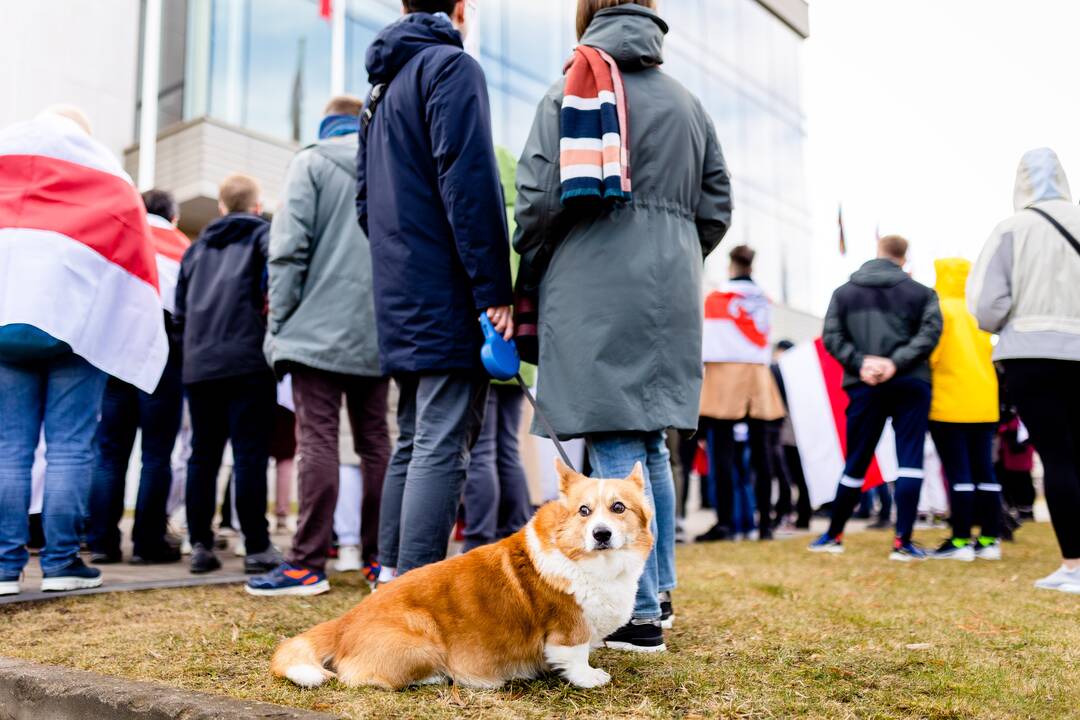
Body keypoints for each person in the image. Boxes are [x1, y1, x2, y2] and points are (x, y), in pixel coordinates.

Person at [514, 0, 731, 651]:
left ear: (586, 12)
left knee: (612, 439)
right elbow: (716, 203)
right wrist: (674, 249)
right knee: (649, 448)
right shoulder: (690, 103)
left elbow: (534, 202)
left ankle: (635, 615)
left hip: (594, 281)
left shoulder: (570, 91)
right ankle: (657, 592)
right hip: (669, 288)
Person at [357, 1, 513, 580]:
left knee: (414, 439)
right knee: (442, 445)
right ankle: (413, 602)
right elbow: (469, 183)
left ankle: (390, 582)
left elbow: (365, 208)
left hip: (400, 290)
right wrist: (493, 286)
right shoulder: (451, 68)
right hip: (447, 291)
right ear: (461, 8)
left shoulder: (379, 91)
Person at [0, 106, 167, 594]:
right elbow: (133, 247)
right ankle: (61, 563)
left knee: (10, 449)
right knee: (71, 448)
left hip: (6, 323)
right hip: (74, 329)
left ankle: (4, 566)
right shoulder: (108, 177)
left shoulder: (7, 161)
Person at [250, 96, 390, 596]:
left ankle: (307, 564)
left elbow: (286, 251)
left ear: (325, 123)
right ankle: (381, 562)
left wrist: (279, 324)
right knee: (377, 443)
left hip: (313, 333)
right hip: (379, 330)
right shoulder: (388, 162)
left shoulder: (310, 162)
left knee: (318, 441)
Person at [968, 147, 1080, 593]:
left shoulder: (1010, 229)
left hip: (1031, 353)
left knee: (1056, 456)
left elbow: (986, 307)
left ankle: (1073, 565)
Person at [175, 174, 282, 576]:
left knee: (202, 455)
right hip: (248, 360)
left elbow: (180, 309)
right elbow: (273, 293)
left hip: (200, 364)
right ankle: (255, 545)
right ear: (257, 206)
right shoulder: (264, 237)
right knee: (249, 455)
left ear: (220, 207)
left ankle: (200, 544)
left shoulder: (195, 248)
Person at [811, 234, 942, 560]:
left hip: (862, 383)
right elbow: (930, 334)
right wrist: (895, 363)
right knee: (909, 460)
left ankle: (834, 535)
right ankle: (903, 543)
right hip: (910, 380)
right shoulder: (923, 294)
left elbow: (831, 336)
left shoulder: (844, 293)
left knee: (856, 459)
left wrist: (861, 363)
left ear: (878, 253)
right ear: (904, 257)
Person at [86, 189, 189, 566]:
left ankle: (101, 543)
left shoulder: (119, 236)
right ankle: (147, 544)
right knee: (157, 455)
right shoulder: (182, 245)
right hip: (163, 350)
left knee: (109, 453)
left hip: (114, 348)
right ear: (174, 217)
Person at [461, 147, 535, 552]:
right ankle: (517, 532)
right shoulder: (522, 221)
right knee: (508, 446)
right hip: (518, 353)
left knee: (482, 446)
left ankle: (477, 538)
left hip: (487, 343)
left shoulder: (481, 218)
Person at [697, 246, 785, 542]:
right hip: (758, 377)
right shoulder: (764, 300)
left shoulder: (717, 298)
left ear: (730, 265)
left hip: (725, 377)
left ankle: (725, 522)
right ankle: (765, 524)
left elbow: (706, 340)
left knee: (722, 456)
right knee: (763, 456)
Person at [925, 258, 1001, 561]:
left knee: (959, 474)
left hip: (948, 402)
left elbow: (933, 355)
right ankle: (989, 539)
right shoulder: (977, 309)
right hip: (984, 402)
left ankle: (960, 542)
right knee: (986, 472)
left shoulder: (941, 309)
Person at [770, 340, 813, 530]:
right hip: (800, 431)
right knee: (800, 476)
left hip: (787, 431)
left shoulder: (781, 371)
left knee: (786, 475)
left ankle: (785, 513)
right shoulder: (803, 374)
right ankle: (803, 515)